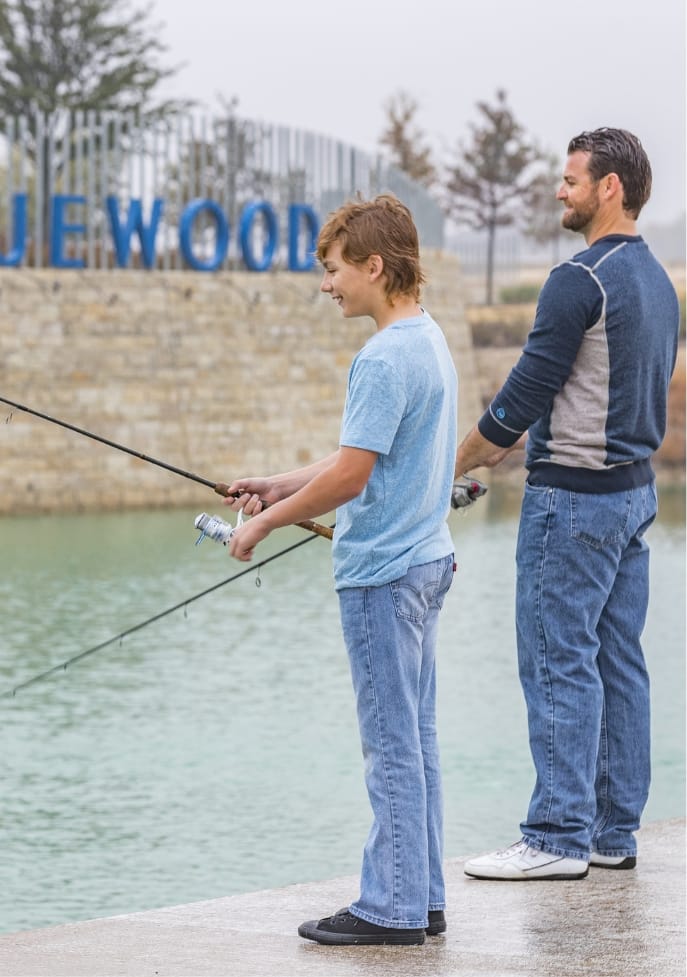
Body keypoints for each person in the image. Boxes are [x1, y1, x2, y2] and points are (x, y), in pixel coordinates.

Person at [224, 194, 458, 944]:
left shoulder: (381, 356)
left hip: (382, 577)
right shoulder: (427, 339)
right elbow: (356, 456)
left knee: (390, 745)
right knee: (415, 743)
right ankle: (419, 896)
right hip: (426, 563)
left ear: (372, 267)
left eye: (332, 270)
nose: (326, 284)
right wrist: (279, 483)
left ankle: (387, 907)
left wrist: (261, 522)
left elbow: (353, 477)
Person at [455, 128, 680, 881]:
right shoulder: (656, 279)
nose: (559, 190)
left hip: (573, 504)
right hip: (632, 497)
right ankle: (611, 834)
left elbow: (519, 400)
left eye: (570, 178)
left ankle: (554, 834)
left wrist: (442, 471)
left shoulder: (577, 278)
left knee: (557, 662)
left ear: (609, 186)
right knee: (616, 662)